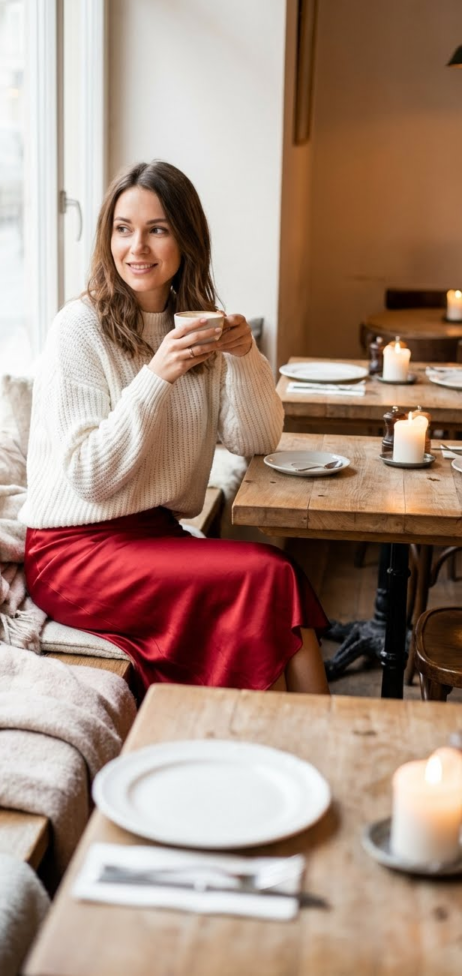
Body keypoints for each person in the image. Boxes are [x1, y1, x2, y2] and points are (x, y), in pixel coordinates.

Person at [21, 160, 329, 698]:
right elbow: (92, 477)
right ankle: (309, 748)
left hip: (154, 537)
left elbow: (256, 440)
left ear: (185, 239)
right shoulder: (79, 327)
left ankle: (298, 747)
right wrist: (156, 376)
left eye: (156, 229)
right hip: (75, 552)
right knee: (268, 577)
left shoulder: (197, 325)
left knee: (271, 588)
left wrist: (245, 355)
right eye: (123, 229)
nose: (136, 247)